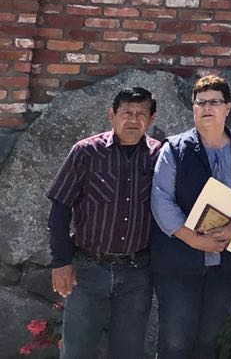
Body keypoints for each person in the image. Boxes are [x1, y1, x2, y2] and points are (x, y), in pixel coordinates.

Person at [151, 75, 231, 359]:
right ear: (193, 107)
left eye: (214, 102)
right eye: (200, 103)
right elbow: (160, 198)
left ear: (228, 107)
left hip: (224, 262)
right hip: (180, 260)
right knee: (175, 341)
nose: (206, 108)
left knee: (210, 340)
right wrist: (193, 240)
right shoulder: (174, 148)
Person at [46, 87, 163, 359]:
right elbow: (60, 209)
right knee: (77, 351)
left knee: (129, 351)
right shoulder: (86, 152)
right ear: (112, 115)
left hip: (137, 273)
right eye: (126, 113)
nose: (133, 120)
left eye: (140, 114)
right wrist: (60, 262)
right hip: (88, 271)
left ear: (152, 118)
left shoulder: (159, 157)